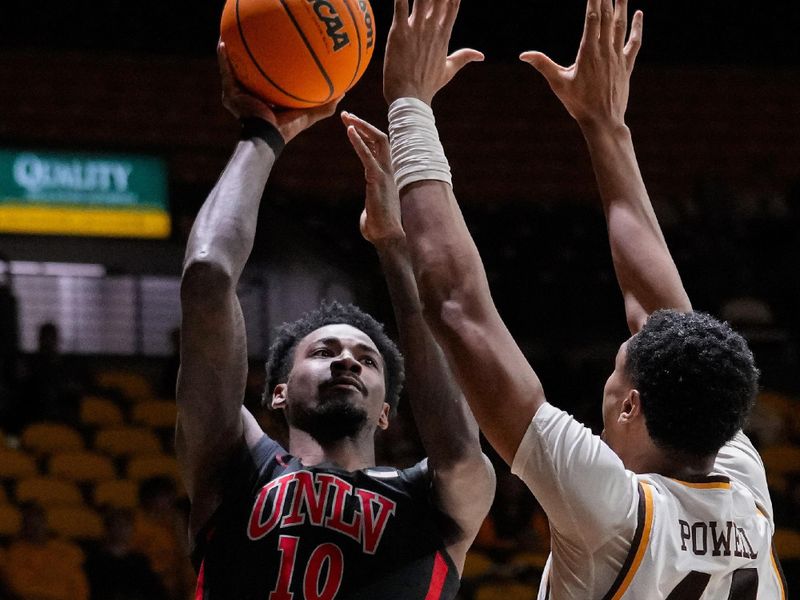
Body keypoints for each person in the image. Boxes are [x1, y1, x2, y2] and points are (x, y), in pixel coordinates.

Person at [379, 0, 787, 596]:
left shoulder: (614, 510)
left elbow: (457, 309)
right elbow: (663, 318)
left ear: (630, 408)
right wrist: (605, 126)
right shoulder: (746, 494)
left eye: (616, 372)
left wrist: (408, 108)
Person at [176, 41, 494, 599]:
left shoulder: (434, 499)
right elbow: (207, 276)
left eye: (367, 359)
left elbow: (461, 445)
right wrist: (262, 134)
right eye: (323, 352)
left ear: (388, 411)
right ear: (276, 394)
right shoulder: (234, 471)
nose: (347, 358)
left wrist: (395, 245)